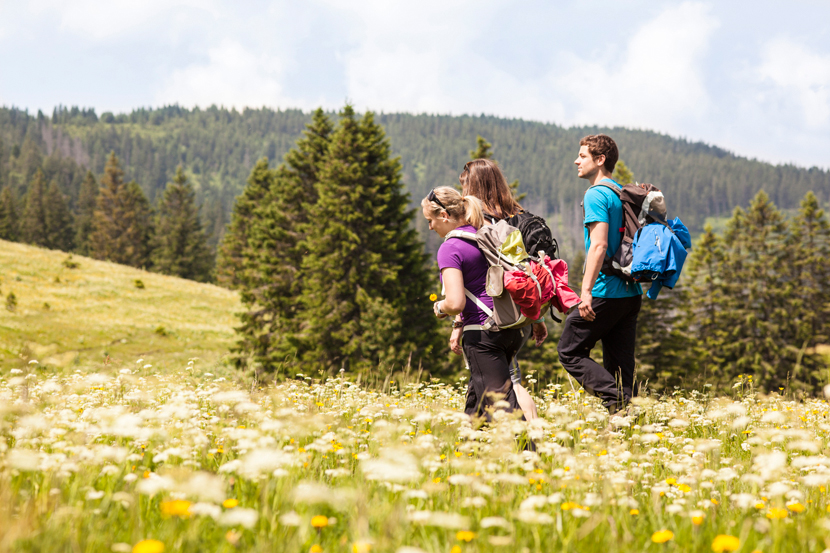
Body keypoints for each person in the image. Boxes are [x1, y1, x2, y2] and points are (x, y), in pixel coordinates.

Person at [557, 134, 642, 414]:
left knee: (569, 350)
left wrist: (585, 292)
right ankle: (623, 426)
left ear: (600, 159)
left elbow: (600, 244)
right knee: (620, 367)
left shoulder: (596, 194)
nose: (576, 161)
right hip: (630, 292)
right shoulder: (620, 192)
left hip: (605, 290)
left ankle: (616, 400)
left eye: (582, 156)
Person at [422, 186, 523, 419]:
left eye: (430, 220)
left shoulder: (450, 247)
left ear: (444, 216)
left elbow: (456, 302)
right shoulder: (482, 234)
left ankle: (532, 455)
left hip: (482, 333)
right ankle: (468, 454)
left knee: (504, 409)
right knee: (477, 409)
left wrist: (439, 307)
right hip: (509, 327)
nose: (430, 227)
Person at [458, 159, 546, 419]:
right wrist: (536, 317)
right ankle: (469, 449)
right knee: (481, 386)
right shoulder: (512, 218)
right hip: (518, 314)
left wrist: (457, 323)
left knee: (511, 384)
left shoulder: (475, 223)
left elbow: (469, 277)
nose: (462, 192)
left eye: (464, 185)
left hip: (491, 318)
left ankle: (530, 442)